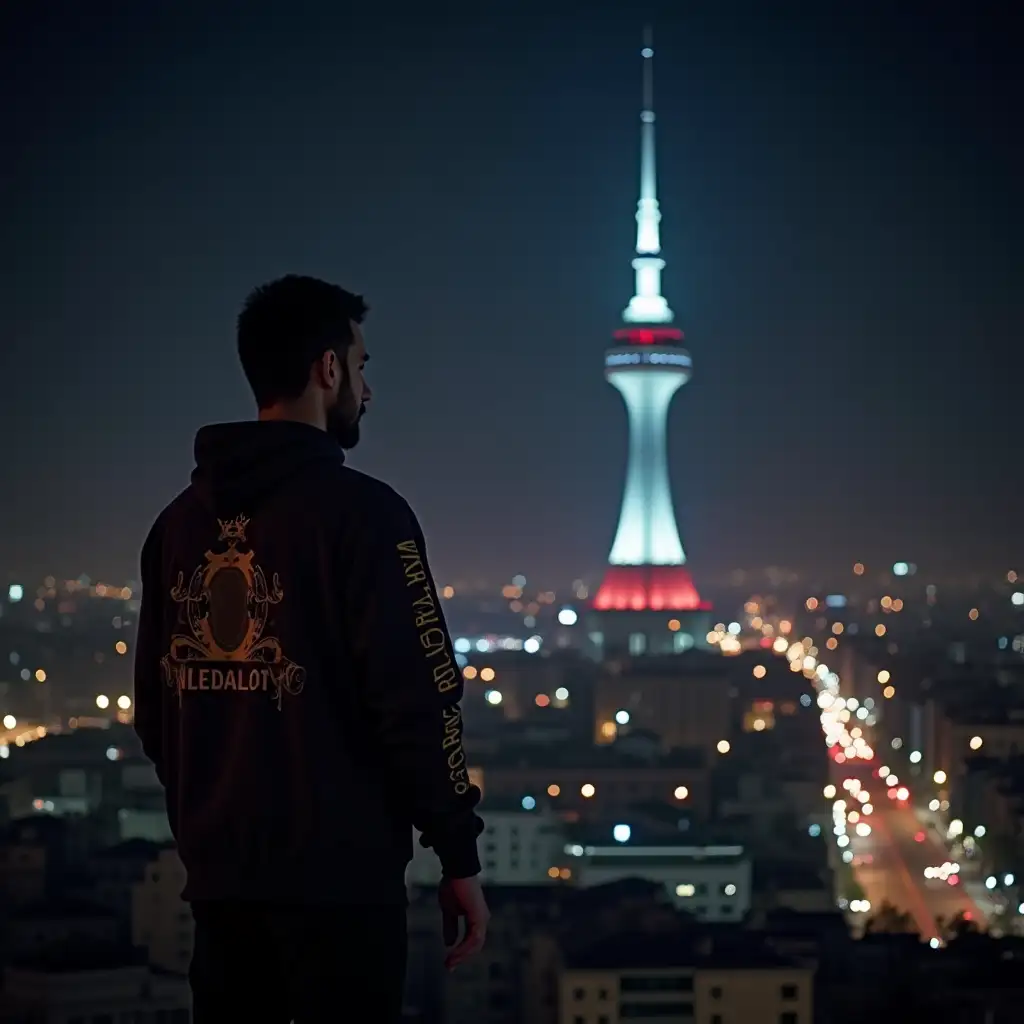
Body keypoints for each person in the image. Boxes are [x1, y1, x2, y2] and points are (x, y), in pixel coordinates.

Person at [133, 275, 488, 1023]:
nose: (367, 389)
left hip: (221, 890)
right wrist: (457, 851)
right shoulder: (367, 518)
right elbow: (420, 701)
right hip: (343, 891)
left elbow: (156, 713)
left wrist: (213, 820)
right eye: (362, 367)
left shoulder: (177, 526)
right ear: (328, 369)